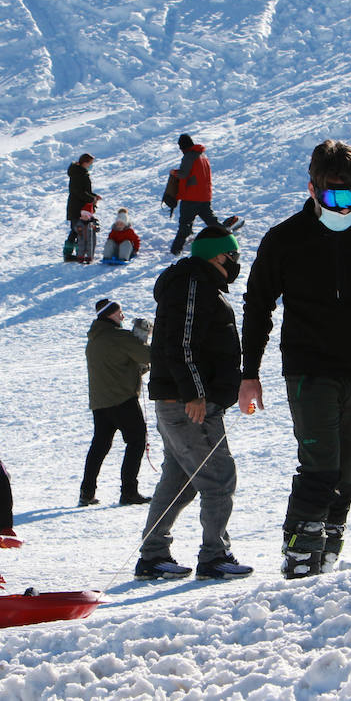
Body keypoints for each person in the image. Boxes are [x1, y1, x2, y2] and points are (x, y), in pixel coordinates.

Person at [239, 140, 351, 579]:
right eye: (333, 196)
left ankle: (329, 548)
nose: (344, 207)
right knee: (320, 465)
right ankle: (301, 555)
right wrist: (249, 374)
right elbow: (257, 305)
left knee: (347, 468)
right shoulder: (286, 238)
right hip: (308, 369)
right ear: (311, 189)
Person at [137, 226, 252, 581]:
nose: (235, 263)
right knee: (218, 477)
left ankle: (153, 554)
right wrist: (195, 392)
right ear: (219, 256)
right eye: (232, 256)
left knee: (181, 480)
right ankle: (215, 556)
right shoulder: (193, 283)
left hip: (183, 402)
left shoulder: (198, 284)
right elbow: (181, 343)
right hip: (188, 404)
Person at [82, 298, 152, 507]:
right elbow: (148, 357)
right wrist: (142, 337)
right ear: (110, 314)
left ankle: (86, 492)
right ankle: (129, 491)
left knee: (100, 446)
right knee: (137, 440)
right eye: (119, 312)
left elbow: (125, 364)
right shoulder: (119, 337)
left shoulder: (93, 339)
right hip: (122, 399)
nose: (122, 316)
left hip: (100, 402)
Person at [168, 134, 223, 256]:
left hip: (191, 197)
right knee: (211, 221)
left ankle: (175, 251)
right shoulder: (202, 155)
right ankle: (226, 235)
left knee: (185, 224)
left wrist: (174, 172)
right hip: (204, 196)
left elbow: (183, 174)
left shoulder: (189, 156)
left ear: (183, 147)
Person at [65, 153, 100, 260]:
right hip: (77, 207)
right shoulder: (78, 174)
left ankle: (76, 253)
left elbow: (84, 191)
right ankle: (69, 254)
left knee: (78, 230)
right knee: (77, 229)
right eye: (90, 163)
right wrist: (91, 199)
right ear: (85, 163)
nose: (91, 166)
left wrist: (93, 196)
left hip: (80, 206)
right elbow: (79, 192)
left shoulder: (81, 173)